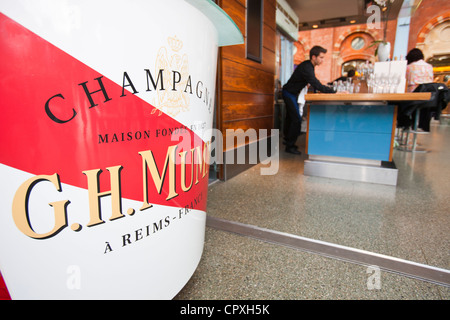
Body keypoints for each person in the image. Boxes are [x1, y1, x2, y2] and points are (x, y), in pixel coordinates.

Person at [282, 45, 336, 154]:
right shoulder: (307, 67)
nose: (322, 60)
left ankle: (287, 140)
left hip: (291, 93)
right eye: (321, 57)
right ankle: (289, 146)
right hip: (289, 93)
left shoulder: (309, 66)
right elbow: (315, 83)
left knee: (291, 118)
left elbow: (313, 82)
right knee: (296, 119)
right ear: (314, 57)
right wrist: (333, 91)